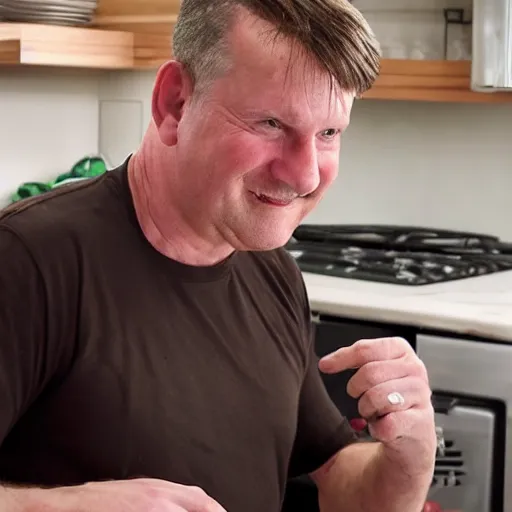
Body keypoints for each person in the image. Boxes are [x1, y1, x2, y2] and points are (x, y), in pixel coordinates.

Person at [0, 0, 437, 511]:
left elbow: (341, 481)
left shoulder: (272, 271)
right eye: (271, 123)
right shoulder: (28, 261)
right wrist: (61, 509)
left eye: (328, 134)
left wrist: (411, 454)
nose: (306, 176)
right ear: (175, 104)